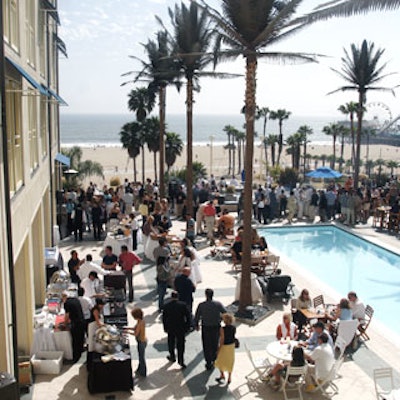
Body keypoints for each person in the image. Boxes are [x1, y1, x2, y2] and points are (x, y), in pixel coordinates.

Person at [194, 288, 227, 370]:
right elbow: (225, 313)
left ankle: (208, 362)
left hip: (206, 327)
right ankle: (214, 359)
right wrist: (221, 319)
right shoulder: (218, 304)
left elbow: (197, 316)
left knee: (206, 345)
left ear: (206, 295)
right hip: (216, 327)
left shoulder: (201, 305)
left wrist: (196, 325)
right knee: (215, 343)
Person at [162, 291, 191, 369]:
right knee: (180, 344)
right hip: (181, 327)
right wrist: (187, 326)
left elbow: (164, 318)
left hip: (171, 327)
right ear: (178, 297)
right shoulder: (183, 305)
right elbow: (188, 316)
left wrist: (165, 327)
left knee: (171, 342)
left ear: (171, 297)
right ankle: (181, 360)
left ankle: (172, 356)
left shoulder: (167, 306)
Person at [62, 291, 85, 363]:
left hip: (76, 323)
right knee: (81, 338)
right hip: (82, 321)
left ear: (64, 298)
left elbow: (67, 315)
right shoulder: (76, 299)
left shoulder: (67, 303)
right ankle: (81, 351)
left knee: (75, 340)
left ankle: (75, 358)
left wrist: (65, 325)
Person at [214, 313, 237, 385]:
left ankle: (222, 374)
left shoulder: (222, 329)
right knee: (230, 361)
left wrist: (218, 349)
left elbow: (222, 339)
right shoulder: (234, 328)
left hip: (225, 346)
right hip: (231, 346)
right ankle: (229, 377)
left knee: (219, 360)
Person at [125, 308, 147, 377]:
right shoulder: (141, 321)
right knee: (141, 356)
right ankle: (140, 369)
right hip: (143, 340)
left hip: (141, 341)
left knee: (141, 357)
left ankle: (143, 372)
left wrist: (127, 332)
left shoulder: (140, 323)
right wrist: (128, 328)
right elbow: (135, 328)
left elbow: (136, 333)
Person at [154, 237, 172, 311]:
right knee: (162, 292)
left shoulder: (155, 249)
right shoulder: (166, 250)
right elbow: (168, 257)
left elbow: (154, 256)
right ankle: (161, 305)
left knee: (159, 276)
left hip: (158, 266)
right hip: (164, 273)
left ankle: (158, 289)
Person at [86, 298, 105, 368]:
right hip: (92, 327)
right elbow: (98, 321)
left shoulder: (99, 310)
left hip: (96, 328)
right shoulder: (95, 310)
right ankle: (90, 363)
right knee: (91, 344)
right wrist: (105, 326)